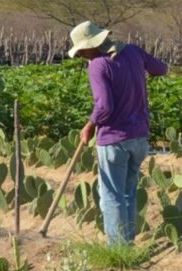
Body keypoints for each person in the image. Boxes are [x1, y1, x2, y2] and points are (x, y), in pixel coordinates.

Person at [68, 21, 167, 246]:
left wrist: (89, 125)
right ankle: (127, 244)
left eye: (82, 50)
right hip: (140, 138)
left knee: (112, 196)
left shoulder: (98, 65)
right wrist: (135, 72)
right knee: (128, 193)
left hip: (113, 140)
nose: (82, 55)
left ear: (93, 45)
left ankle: (117, 249)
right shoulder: (132, 51)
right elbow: (161, 69)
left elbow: (104, 107)